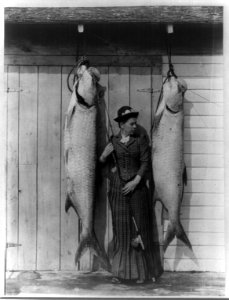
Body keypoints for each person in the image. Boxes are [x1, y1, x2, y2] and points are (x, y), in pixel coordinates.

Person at [99, 106, 163, 284]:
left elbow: (145, 162)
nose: (135, 126)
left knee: (141, 228)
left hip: (138, 189)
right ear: (121, 125)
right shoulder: (112, 141)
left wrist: (136, 181)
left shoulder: (140, 140)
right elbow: (103, 166)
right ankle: (121, 273)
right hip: (118, 191)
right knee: (123, 230)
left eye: (135, 123)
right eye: (131, 124)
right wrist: (104, 157)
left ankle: (145, 273)